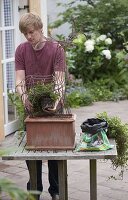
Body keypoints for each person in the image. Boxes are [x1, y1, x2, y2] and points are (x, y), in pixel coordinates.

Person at [15, 12, 66, 200]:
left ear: (40, 28)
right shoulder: (21, 50)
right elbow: (19, 80)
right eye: (25, 34)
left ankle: (56, 191)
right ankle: (34, 191)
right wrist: (24, 98)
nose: (29, 37)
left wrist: (56, 101)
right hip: (31, 107)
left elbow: (59, 80)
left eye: (31, 32)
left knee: (54, 151)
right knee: (32, 151)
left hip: (53, 105)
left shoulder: (56, 49)